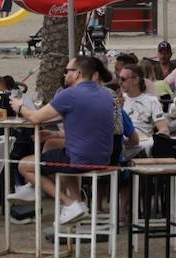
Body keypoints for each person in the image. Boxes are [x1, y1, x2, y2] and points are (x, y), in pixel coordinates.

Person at [9, 55, 119, 225]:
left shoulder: (70, 94)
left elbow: (36, 118)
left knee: (24, 165)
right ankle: (76, 205)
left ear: (77, 74)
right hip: (103, 158)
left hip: (80, 160)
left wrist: (20, 107)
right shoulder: (105, 94)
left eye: (67, 71)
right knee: (60, 154)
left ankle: (68, 203)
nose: (64, 74)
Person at [118, 65, 168, 140]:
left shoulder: (152, 101)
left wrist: (154, 139)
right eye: (119, 78)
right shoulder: (118, 100)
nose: (119, 82)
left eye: (123, 79)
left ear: (136, 80)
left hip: (143, 144)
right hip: (122, 142)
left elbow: (164, 129)